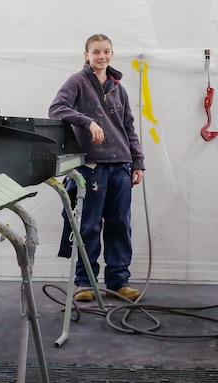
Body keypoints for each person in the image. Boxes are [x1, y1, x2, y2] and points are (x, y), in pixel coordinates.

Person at [48, 34, 145, 302]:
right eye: (96, 52)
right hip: (91, 167)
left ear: (112, 54)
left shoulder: (118, 87)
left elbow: (128, 128)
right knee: (87, 226)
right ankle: (85, 283)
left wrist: (137, 162)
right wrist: (87, 121)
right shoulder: (77, 82)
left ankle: (119, 282)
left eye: (106, 52)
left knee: (119, 226)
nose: (102, 57)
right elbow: (56, 109)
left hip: (121, 166)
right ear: (86, 55)